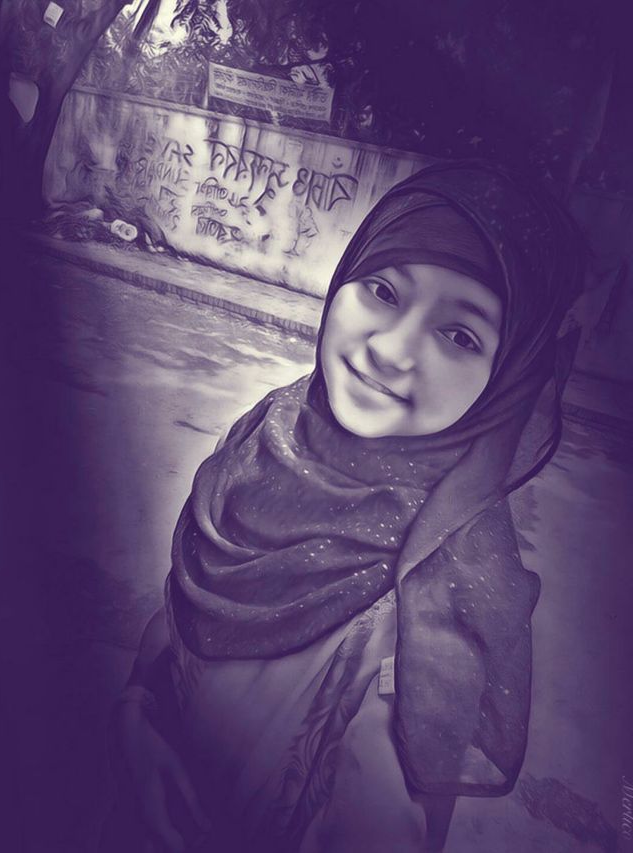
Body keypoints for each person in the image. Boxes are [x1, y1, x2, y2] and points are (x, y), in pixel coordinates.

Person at [104, 160, 585, 853]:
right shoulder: (268, 436)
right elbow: (173, 627)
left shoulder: (444, 590)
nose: (390, 350)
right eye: (384, 289)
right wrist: (135, 726)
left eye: (460, 335)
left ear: (509, 379)